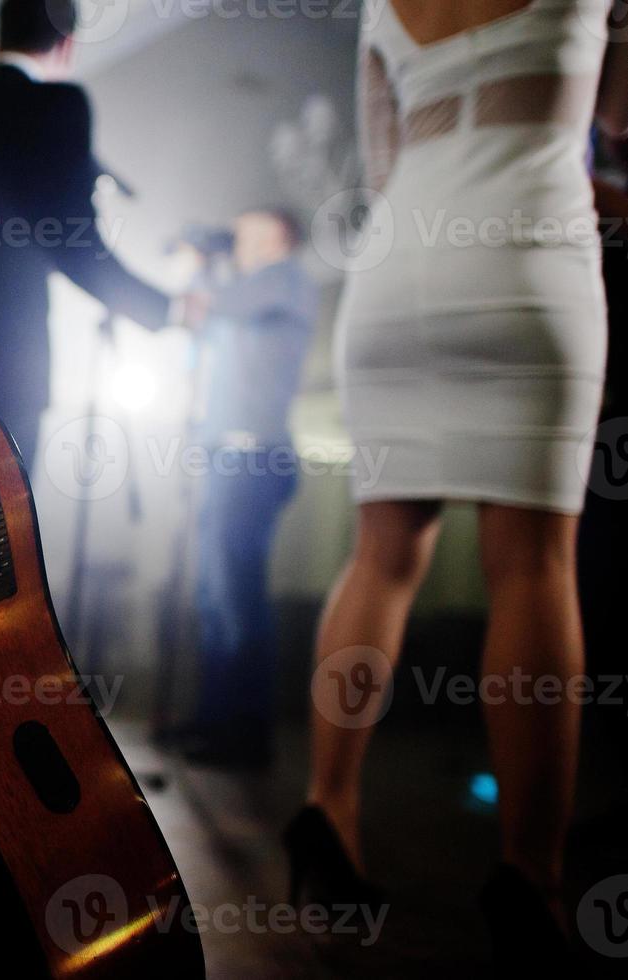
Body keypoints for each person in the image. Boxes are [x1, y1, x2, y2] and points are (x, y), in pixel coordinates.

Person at [294, 0, 625, 966]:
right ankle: (530, 879)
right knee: (531, 566)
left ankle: (327, 811)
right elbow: (612, 122)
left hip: (396, 273)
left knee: (381, 556)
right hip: (522, 259)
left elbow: (386, 159)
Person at [0, 0, 169, 458]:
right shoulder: (56, 108)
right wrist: (166, 310)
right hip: (3, 381)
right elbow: (77, 247)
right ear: (68, 44)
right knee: (0, 528)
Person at [172, 210, 317, 769]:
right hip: (223, 455)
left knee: (237, 598)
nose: (239, 241)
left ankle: (247, 734)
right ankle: (215, 721)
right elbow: (190, 317)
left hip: (254, 454)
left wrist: (203, 264)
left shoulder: (286, 279)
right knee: (213, 594)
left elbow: (213, 302)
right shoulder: (244, 289)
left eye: (250, 231)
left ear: (282, 236)